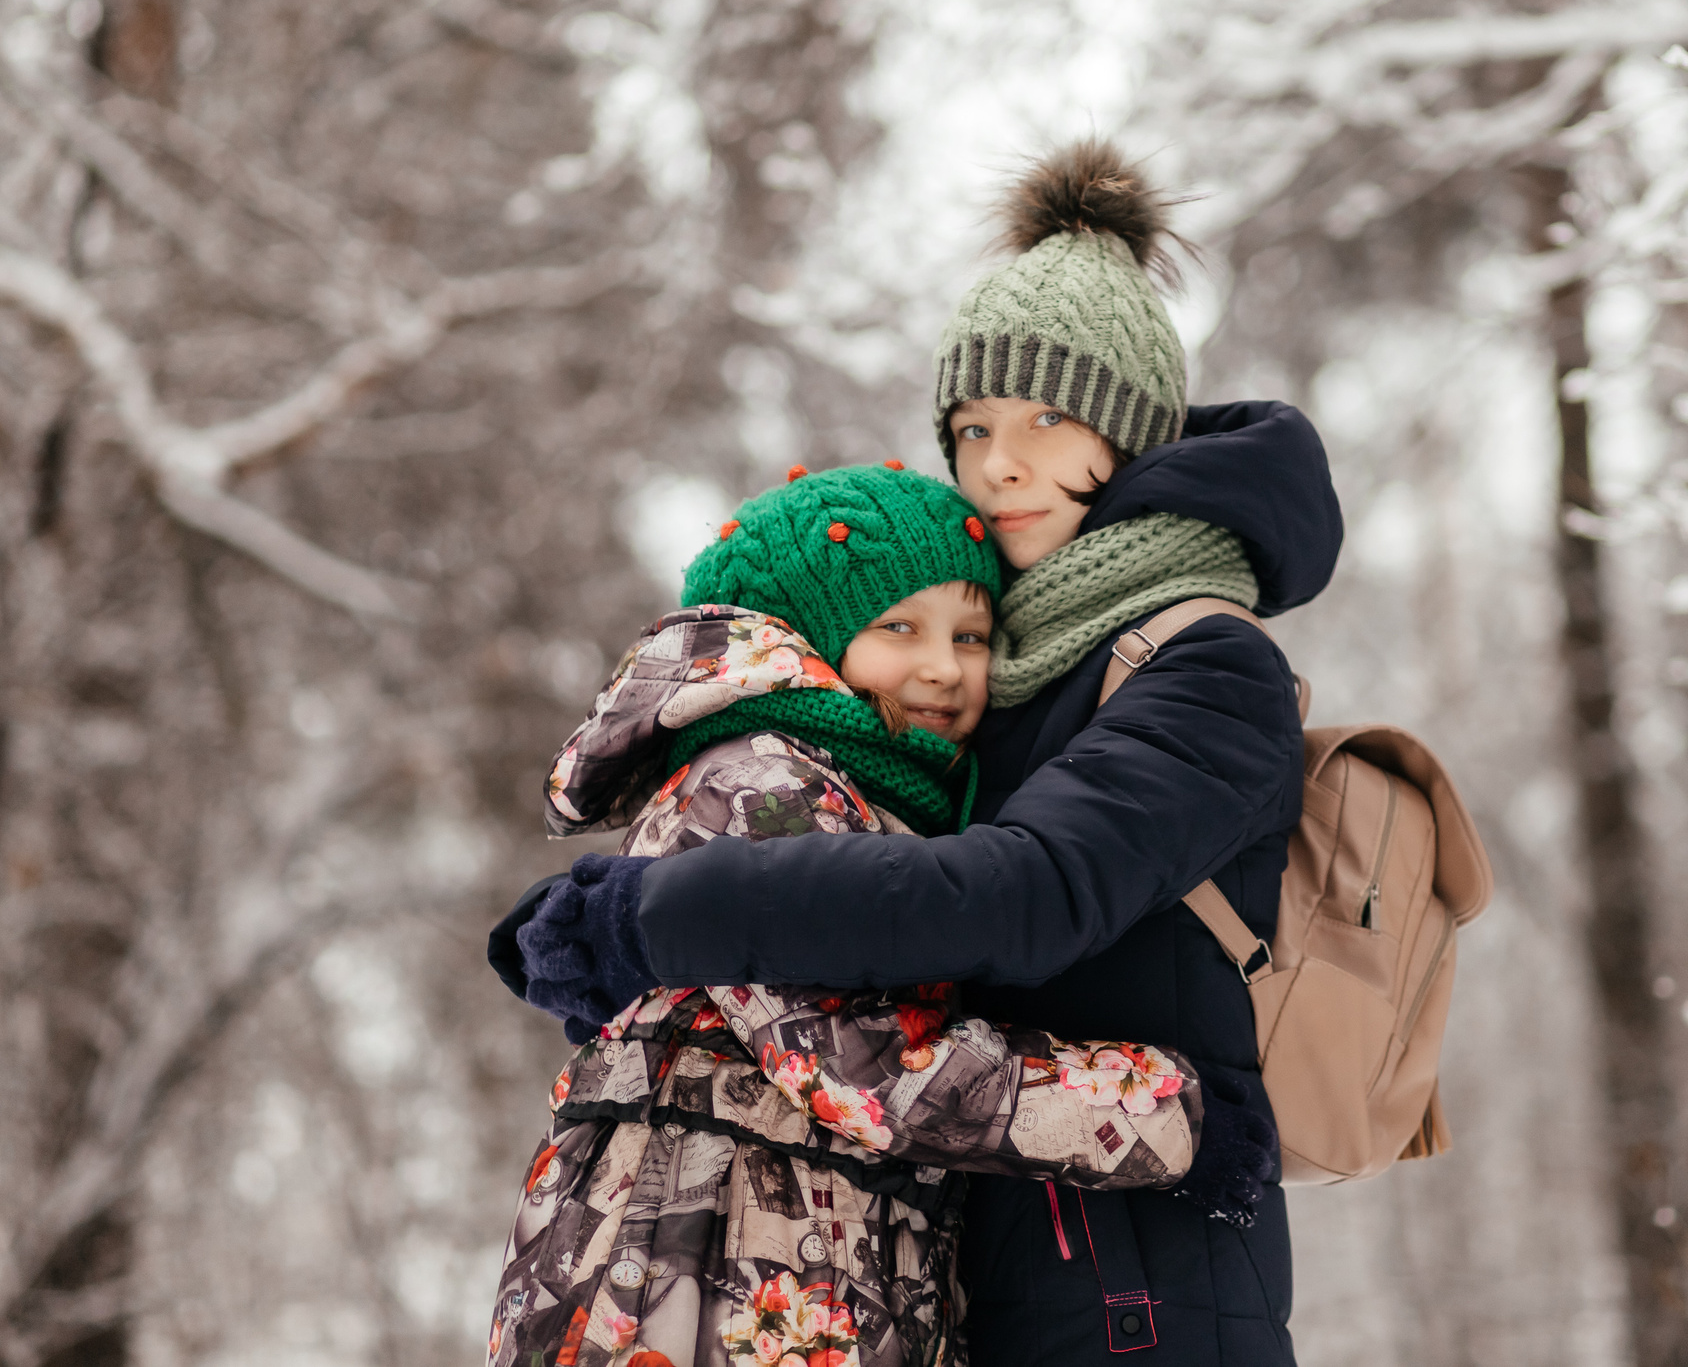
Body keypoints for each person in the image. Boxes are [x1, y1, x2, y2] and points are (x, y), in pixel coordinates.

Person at [501, 142, 1337, 1366]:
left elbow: (1027, 893)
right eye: (973, 424)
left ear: (1131, 429)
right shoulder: (1000, 679)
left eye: (1051, 418)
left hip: (1133, 1299)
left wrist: (654, 913)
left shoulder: (1202, 663)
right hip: (972, 1285)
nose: (1003, 461)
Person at [486, 463, 1274, 1367]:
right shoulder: (762, 783)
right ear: (807, 636)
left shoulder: (869, 800)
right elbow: (877, 1069)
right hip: (687, 1280)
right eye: (899, 627)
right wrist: (1171, 1116)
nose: (945, 667)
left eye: (972, 636)